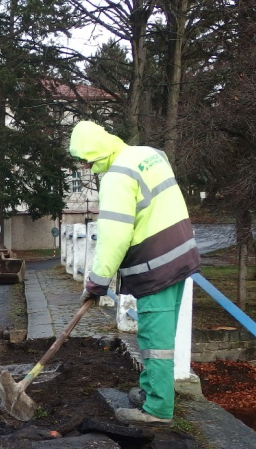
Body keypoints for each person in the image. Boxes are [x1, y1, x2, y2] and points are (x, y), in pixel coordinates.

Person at [69, 121, 201, 426]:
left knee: (156, 340)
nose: (87, 167)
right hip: (179, 254)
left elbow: (114, 236)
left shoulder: (117, 176)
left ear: (96, 152)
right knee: (156, 333)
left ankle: (157, 409)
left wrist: (97, 282)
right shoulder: (148, 154)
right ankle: (151, 389)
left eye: (87, 160)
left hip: (157, 264)